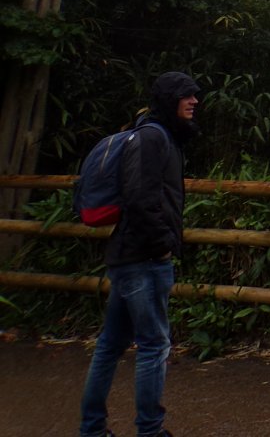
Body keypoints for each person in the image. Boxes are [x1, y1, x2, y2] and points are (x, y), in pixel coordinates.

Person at [78, 71, 200, 437]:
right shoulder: (152, 138)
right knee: (153, 345)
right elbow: (141, 198)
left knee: (111, 345)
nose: (194, 101)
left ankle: (92, 429)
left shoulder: (163, 136)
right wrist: (163, 243)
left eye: (195, 95)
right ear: (168, 99)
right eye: (186, 95)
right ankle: (149, 429)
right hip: (144, 259)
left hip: (132, 256)